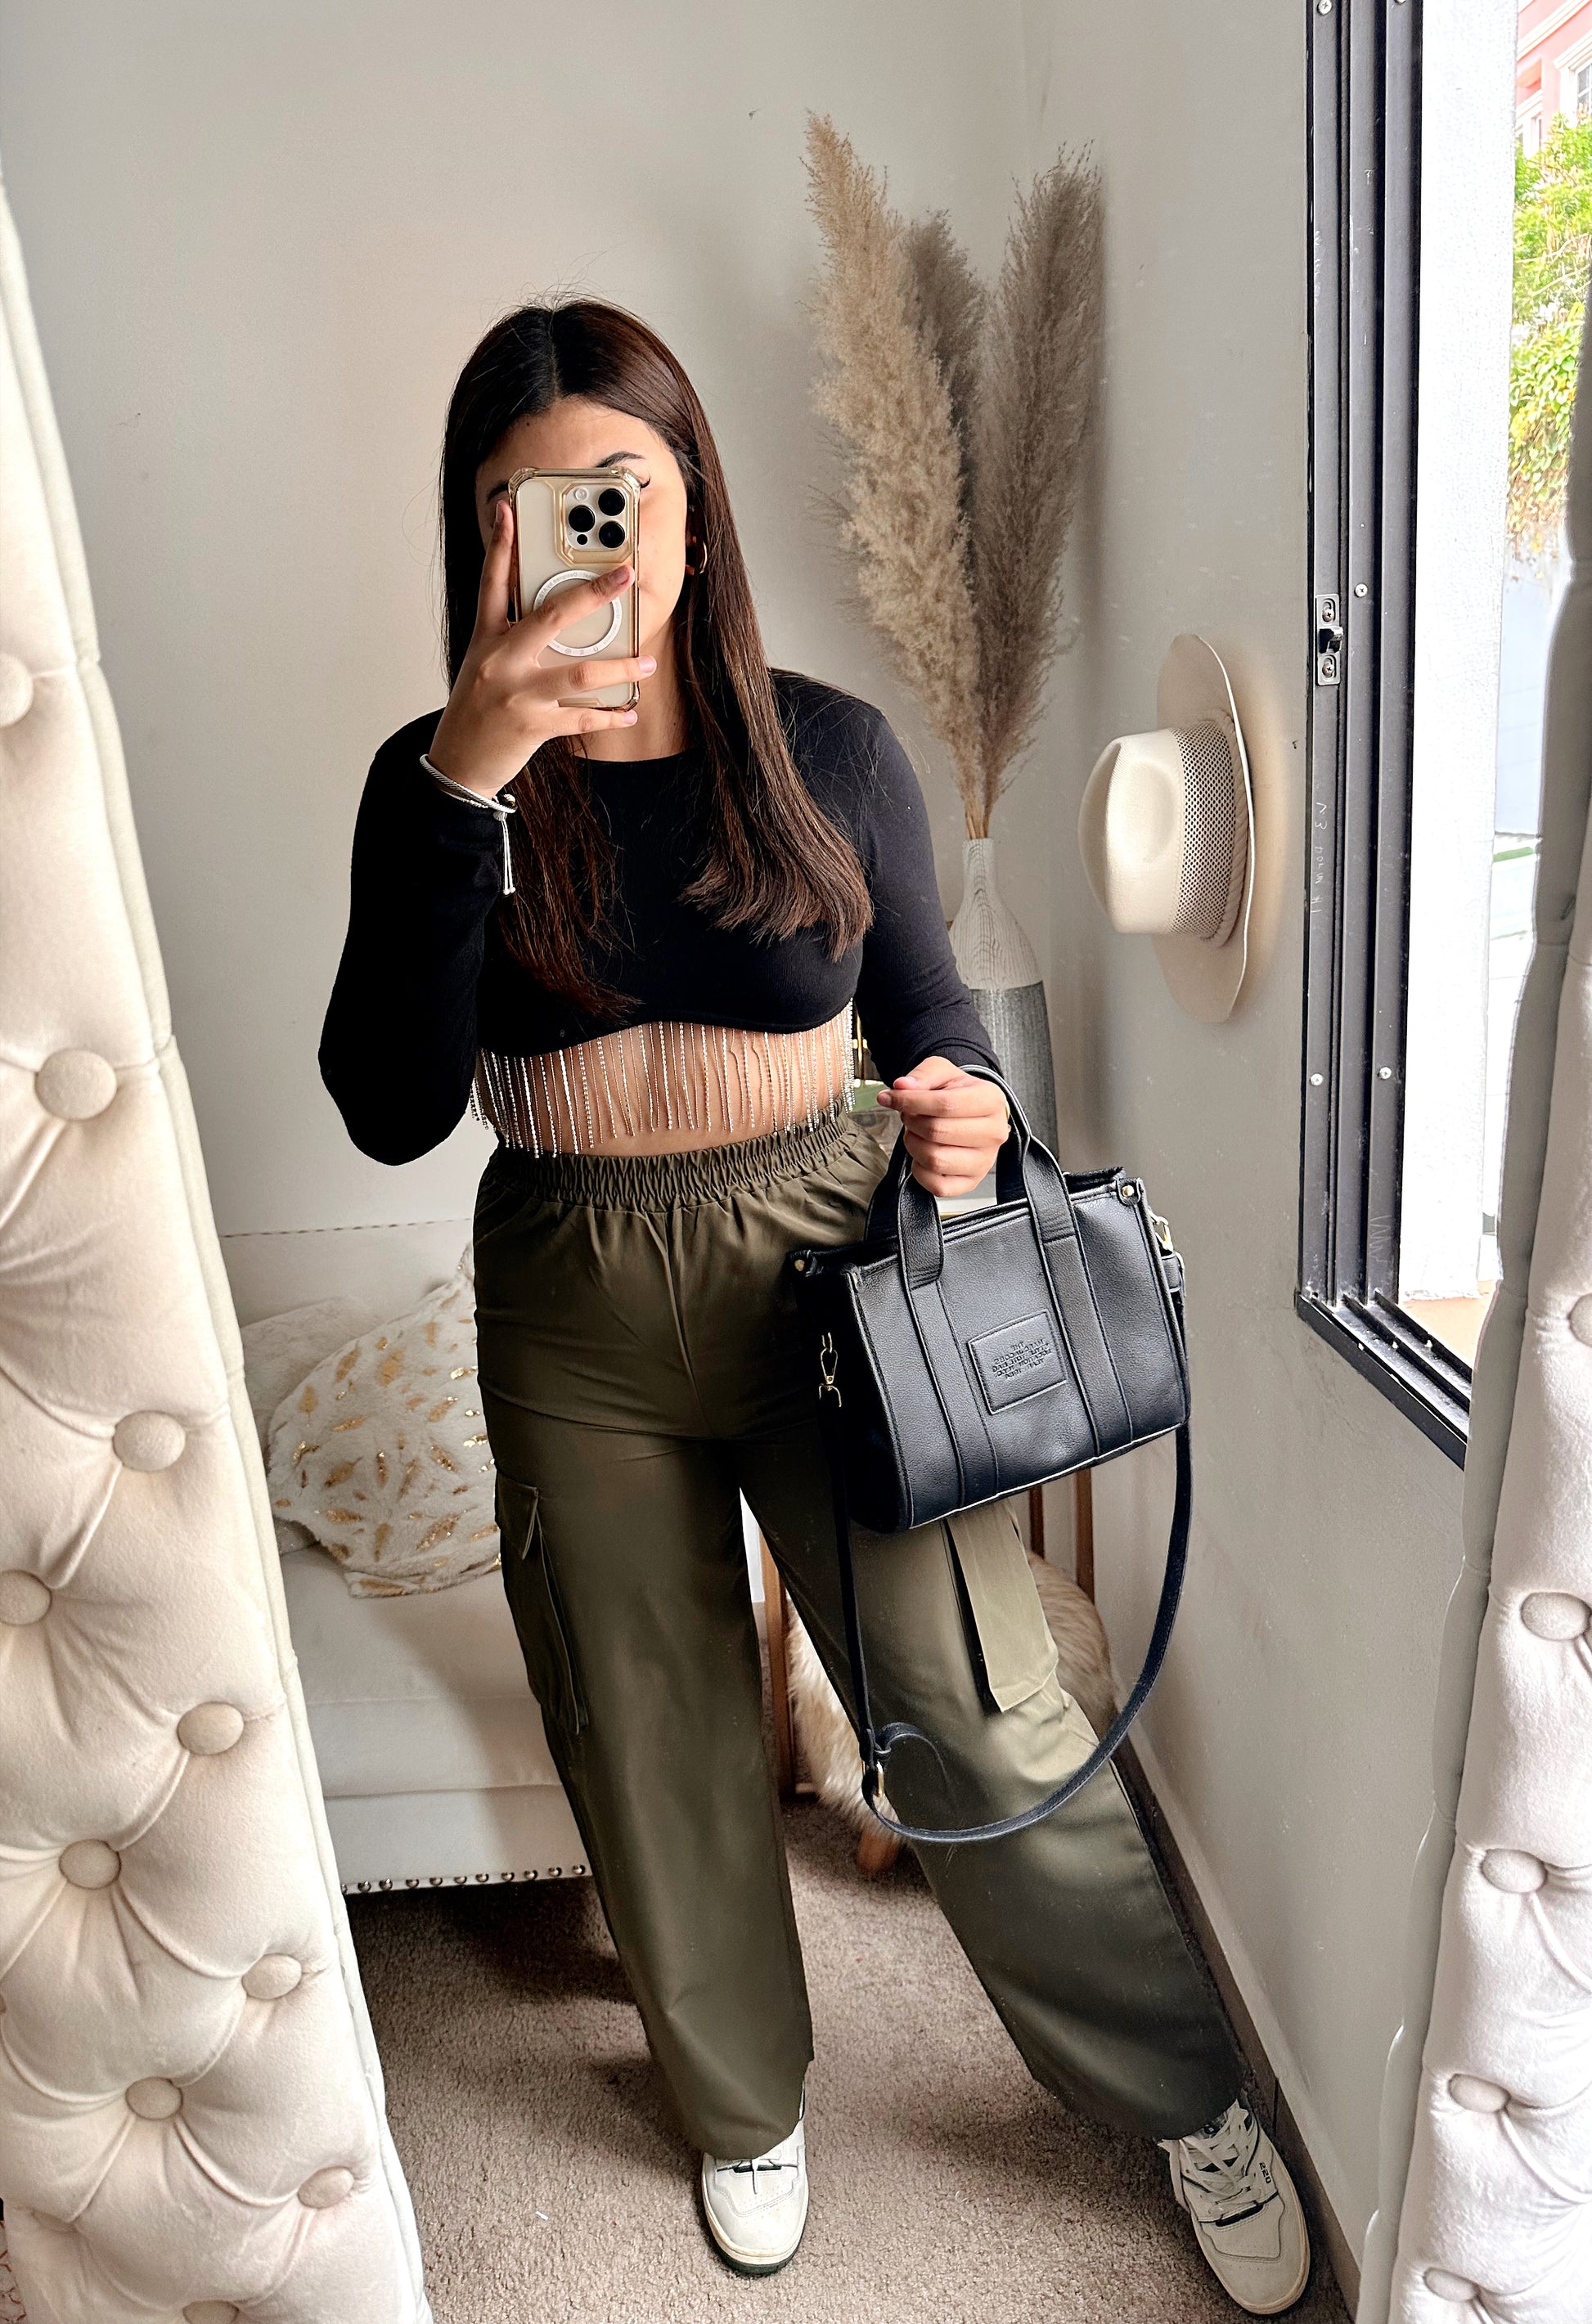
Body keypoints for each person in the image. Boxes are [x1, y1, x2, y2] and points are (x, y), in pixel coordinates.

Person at [318, 299, 1310, 2314]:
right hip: (572, 1287)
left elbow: (934, 1017)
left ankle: (1182, 2087)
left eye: (622, 492)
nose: (589, 543)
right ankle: (739, 2095)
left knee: (969, 1688)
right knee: (645, 1719)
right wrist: (471, 773)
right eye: (531, 505)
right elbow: (389, 1106)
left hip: (836, 1263)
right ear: (477, 533)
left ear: (692, 504)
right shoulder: (431, 788)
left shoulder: (826, 747)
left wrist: (966, 1109)